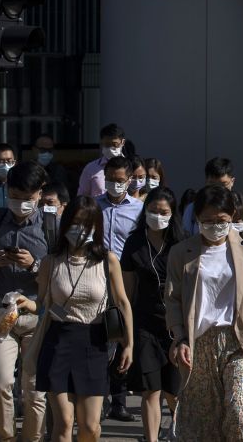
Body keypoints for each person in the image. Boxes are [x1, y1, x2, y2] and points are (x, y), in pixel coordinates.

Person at [164, 184, 243, 441]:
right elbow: (173, 301)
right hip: (199, 344)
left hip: (238, 340)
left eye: (222, 220)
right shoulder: (180, 253)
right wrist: (180, 338)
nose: (214, 226)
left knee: (240, 413)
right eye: (207, 220)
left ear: (232, 217)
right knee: (203, 423)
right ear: (197, 219)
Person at [19, 195, 135, 442]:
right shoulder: (51, 261)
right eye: (75, 222)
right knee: (63, 424)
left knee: (91, 427)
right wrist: (24, 304)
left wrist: (129, 345)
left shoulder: (108, 260)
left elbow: (123, 302)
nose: (80, 229)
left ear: (96, 227)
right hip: (58, 341)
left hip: (94, 343)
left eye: (87, 223)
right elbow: (41, 303)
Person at [0, 161, 50, 442]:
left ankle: (32, 438)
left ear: (40, 193)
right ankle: (7, 437)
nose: (20, 203)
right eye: (14, 196)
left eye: (27, 198)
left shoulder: (51, 225)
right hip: (1, 314)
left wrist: (34, 266)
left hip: (37, 313)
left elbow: (63, 273)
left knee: (35, 388)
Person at [120, 187, 184, 442]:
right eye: (153, 211)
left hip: (175, 323)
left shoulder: (181, 243)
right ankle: (151, 438)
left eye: (164, 212)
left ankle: (180, 433)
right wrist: (126, 333)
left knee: (175, 390)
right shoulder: (134, 242)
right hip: (145, 323)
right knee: (150, 390)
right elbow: (126, 291)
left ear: (173, 213)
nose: (158, 215)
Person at [95, 154, 145, 421]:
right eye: (110, 180)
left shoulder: (138, 210)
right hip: (97, 278)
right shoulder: (94, 207)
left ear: (129, 180)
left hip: (126, 280)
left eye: (119, 180)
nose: (114, 184)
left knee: (124, 334)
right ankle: (101, 397)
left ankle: (120, 400)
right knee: (103, 337)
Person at [181, 157, 238, 235]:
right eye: (212, 184)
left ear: (232, 182)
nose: (218, 189)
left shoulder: (241, 207)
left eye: (223, 184)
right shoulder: (192, 209)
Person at [78, 123, 126, 197]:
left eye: (115, 144)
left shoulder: (131, 166)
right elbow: (82, 197)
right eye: (107, 144)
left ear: (122, 142)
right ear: (101, 143)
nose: (111, 148)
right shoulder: (91, 168)